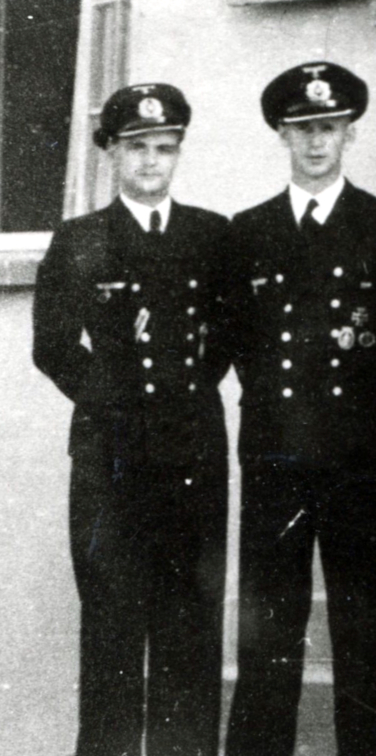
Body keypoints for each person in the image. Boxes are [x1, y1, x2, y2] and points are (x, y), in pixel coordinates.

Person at [32, 83, 230, 756]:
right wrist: (115, 397)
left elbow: (231, 334)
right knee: (113, 633)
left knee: (190, 632)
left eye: (164, 149)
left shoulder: (211, 236)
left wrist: (181, 394)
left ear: (178, 154)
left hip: (192, 458)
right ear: (112, 153)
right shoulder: (81, 239)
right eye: (138, 149)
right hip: (108, 462)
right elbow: (52, 346)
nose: (151, 162)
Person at [222, 62, 376, 756]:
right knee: (269, 633)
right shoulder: (247, 234)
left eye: (329, 127)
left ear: (349, 132)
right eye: (303, 129)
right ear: (282, 135)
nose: (317, 141)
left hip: (358, 462)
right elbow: (238, 341)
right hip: (275, 461)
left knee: (363, 635)